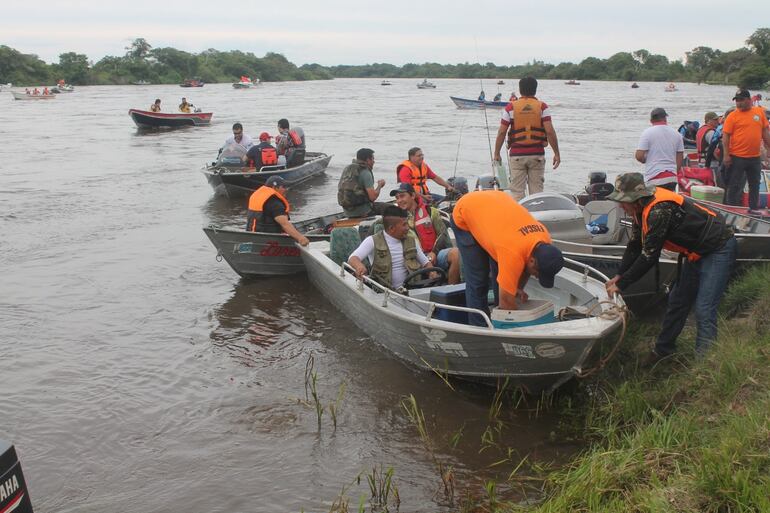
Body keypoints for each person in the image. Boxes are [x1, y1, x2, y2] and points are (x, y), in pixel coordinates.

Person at [605, 172, 737, 364]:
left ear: (635, 199)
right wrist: (619, 275)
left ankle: (705, 364)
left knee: (704, 308)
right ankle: (663, 351)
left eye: (622, 201)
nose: (620, 206)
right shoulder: (638, 211)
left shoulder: (659, 210)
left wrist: (623, 284)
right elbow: (635, 245)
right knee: (677, 301)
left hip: (718, 247)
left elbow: (649, 256)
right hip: (695, 252)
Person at [450, 190, 564, 326]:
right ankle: (479, 326)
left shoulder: (544, 238)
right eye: (538, 274)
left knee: (504, 277)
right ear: (532, 261)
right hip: (466, 213)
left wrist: (517, 288)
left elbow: (526, 268)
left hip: (495, 214)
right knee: (478, 279)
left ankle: (497, 321)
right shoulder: (512, 252)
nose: (538, 277)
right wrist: (519, 328)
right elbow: (506, 304)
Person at [493, 76, 561, 201]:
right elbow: (550, 132)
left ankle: (519, 219)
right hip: (537, 156)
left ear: (520, 90)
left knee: (517, 193)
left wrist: (496, 153)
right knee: (537, 194)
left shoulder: (510, 107)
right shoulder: (542, 107)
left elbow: (502, 132)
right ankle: (536, 218)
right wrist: (556, 153)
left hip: (517, 156)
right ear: (535, 89)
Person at [391, 183, 461, 284]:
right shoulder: (395, 219)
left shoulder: (431, 212)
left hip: (433, 255)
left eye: (402, 196)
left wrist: (434, 252)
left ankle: (451, 290)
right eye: (397, 198)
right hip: (411, 260)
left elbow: (442, 234)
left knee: (456, 254)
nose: (399, 201)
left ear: (413, 196)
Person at [348, 206, 432, 290]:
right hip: (383, 294)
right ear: (391, 228)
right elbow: (353, 258)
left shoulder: (412, 241)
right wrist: (359, 267)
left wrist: (432, 272)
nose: (407, 228)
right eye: (404, 224)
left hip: (412, 291)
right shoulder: (372, 241)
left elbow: (426, 263)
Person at [722, 89, 770, 214]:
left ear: (749, 100)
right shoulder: (733, 116)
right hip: (737, 156)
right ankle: (731, 210)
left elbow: (765, 132)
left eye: (741, 100)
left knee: (755, 184)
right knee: (734, 184)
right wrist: (726, 155)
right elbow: (725, 136)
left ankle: (753, 208)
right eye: (737, 100)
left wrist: (769, 148)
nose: (739, 103)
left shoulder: (759, 112)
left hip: (755, 157)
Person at [245, 176, 309, 246]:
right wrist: (300, 238)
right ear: (274, 187)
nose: (286, 189)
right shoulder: (275, 204)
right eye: (283, 187)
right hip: (269, 240)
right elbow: (285, 224)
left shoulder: (257, 197)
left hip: (252, 235)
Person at [635, 108, 684, 191]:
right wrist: (675, 172)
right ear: (665, 118)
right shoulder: (677, 134)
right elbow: (680, 157)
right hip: (672, 177)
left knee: (654, 202)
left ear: (651, 120)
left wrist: (644, 160)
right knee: (670, 202)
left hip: (654, 177)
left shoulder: (647, 133)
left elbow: (639, 156)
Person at [337, 148, 388, 218]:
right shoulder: (365, 172)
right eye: (373, 159)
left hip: (347, 212)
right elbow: (373, 197)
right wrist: (380, 185)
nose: (374, 161)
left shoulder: (347, 169)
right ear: (368, 160)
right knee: (390, 209)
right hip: (364, 212)